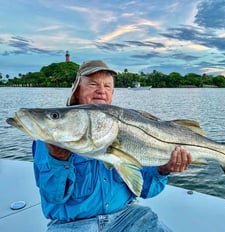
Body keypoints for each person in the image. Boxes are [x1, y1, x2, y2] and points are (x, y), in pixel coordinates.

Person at [32, 60, 192, 232]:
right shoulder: (52, 136)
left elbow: (144, 190)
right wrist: (58, 160)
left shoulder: (129, 128)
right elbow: (53, 196)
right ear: (77, 90)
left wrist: (163, 169)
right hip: (73, 225)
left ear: (112, 93)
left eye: (107, 86)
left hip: (129, 216)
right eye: (93, 84)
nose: (101, 91)